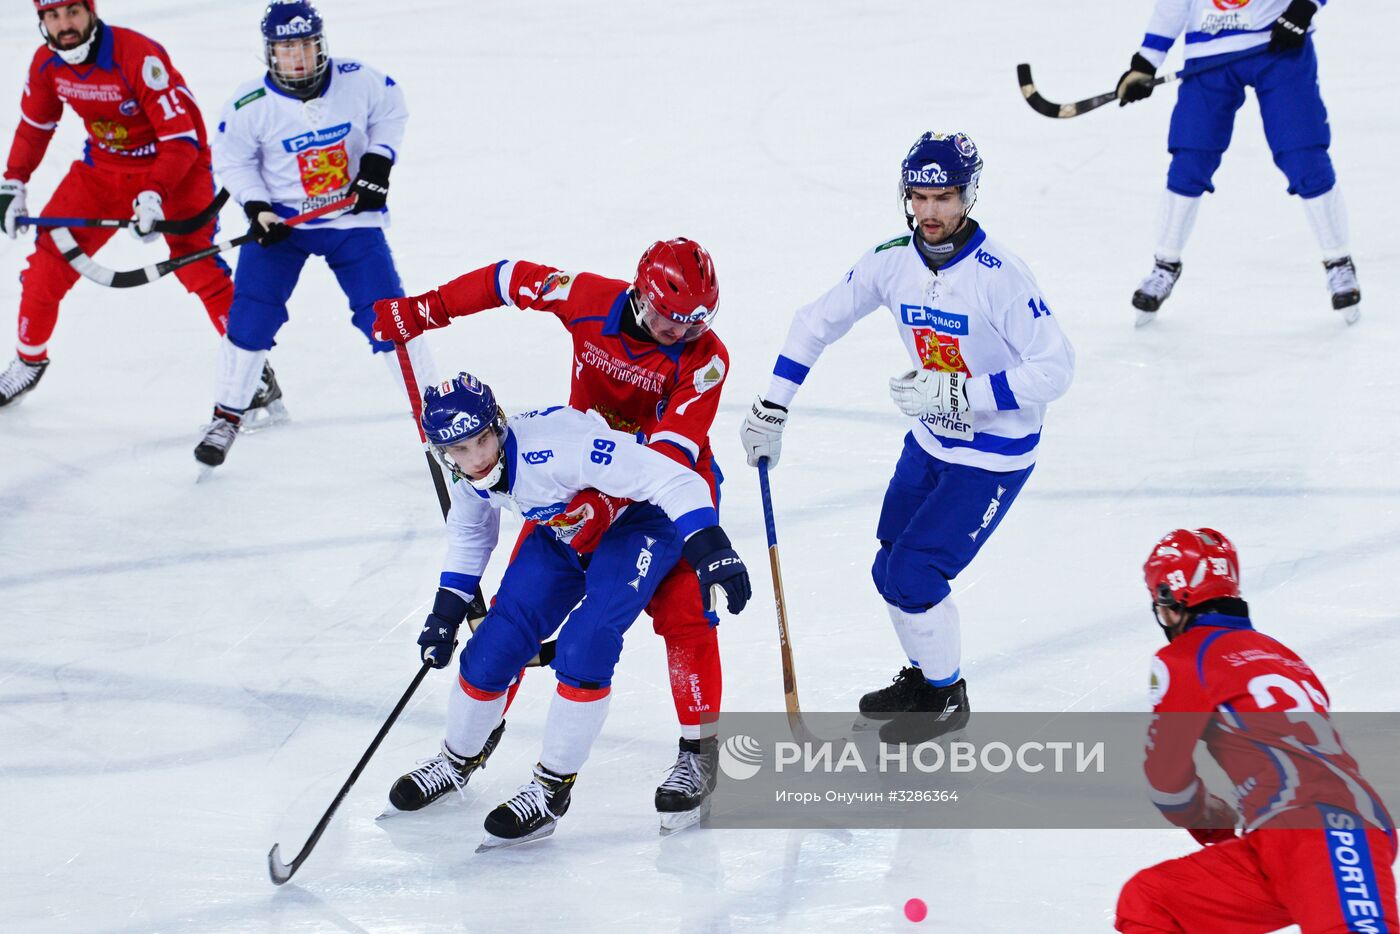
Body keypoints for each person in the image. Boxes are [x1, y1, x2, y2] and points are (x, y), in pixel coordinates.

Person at [372, 239, 731, 832]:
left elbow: (666, 464)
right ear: (641, 296)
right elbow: (508, 278)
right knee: (507, 625)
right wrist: (426, 310)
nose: (683, 332)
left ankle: (698, 752)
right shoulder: (587, 300)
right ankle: (464, 750)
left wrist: (645, 519)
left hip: (656, 497)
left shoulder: (707, 358)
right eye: (671, 317)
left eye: (697, 320)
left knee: (681, 616)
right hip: (570, 489)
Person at [739, 131, 1074, 744]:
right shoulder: (891, 259)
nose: (929, 212)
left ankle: (947, 697)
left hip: (994, 454)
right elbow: (814, 323)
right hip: (929, 442)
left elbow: (1055, 370)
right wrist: (772, 406)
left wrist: (958, 396)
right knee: (889, 566)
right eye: (918, 197)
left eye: (944, 198)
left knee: (916, 571)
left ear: (969, 195)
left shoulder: (1000, 275)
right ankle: (926, 678)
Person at [1115, 528, 1397, 932]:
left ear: (1171, 597)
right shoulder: (1283, 656)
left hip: (1323, 831)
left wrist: (1210, 818)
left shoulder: (1188, 657)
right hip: (1282, 839)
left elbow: (1166, 781)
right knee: (1154, 901)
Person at [193, 0, 434, 468]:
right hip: (283, 226)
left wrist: (377, 162)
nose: (298, 58)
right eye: (287, 49)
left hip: (351, 218)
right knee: (251, 315)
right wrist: (258, 207)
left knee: (389, 314)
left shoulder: (359, 79)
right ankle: (226, 416)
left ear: (320, 44)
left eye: (305, 45)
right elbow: (233, 161)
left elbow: (392, 109)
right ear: (271, 52)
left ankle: (433, 411)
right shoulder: (249, 104)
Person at [0, 0, 250, 407]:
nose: (65, 25)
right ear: (42, 20)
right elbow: (34, 127)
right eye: (53, 16)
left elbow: (180, 137)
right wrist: (14, 182)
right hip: (104, 169)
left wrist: (154, 194)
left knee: (197, 263)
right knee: (49, 259)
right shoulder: (47, 63)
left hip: (177, 167)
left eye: (72, 11)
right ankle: (28, 361)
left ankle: (252, 372)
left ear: (91, 10)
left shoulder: (137, 55)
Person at [1116, 0, 1361, 326]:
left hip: (1278, 44)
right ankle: (1165, 265)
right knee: (1191, 156)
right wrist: (1146, 60)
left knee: (1303, 152)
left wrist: (1304, 6)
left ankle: (1338, 262)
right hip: (1210, 49)